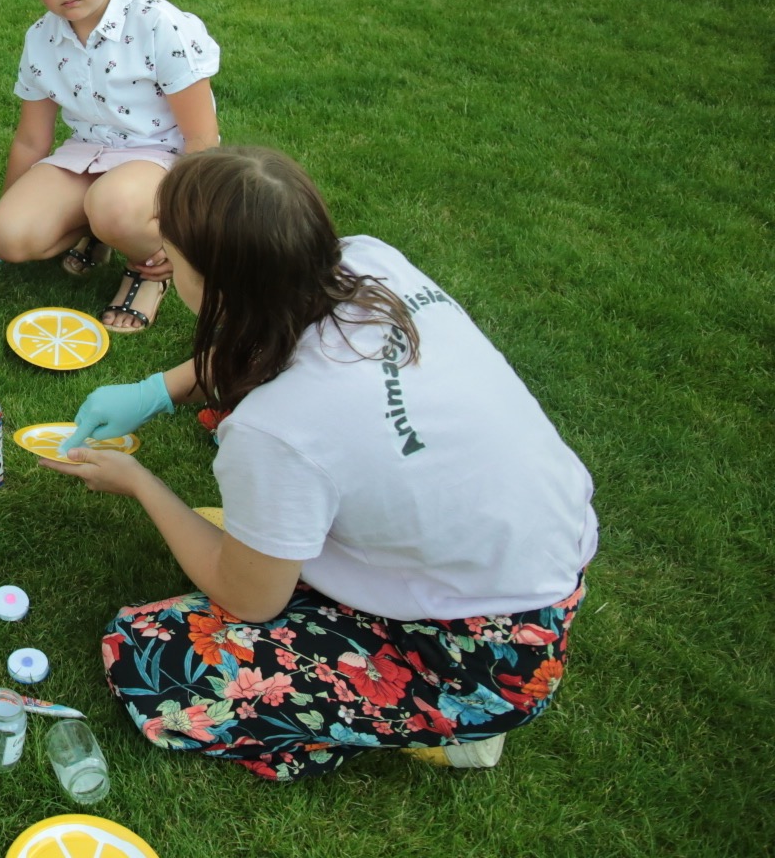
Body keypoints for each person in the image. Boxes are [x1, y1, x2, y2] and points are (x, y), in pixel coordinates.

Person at [42, 147, 598, 782]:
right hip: (536, 559)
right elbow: (263, 338)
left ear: (219, 283)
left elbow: (248, 601)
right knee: (264, 539)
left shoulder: (278, 431)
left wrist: (139, 482)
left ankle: (457, 723)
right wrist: (156, 391)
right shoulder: (365, 259)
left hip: (487, 654)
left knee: (153, 659)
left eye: (176, 258)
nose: (164, 264)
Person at [0, 0, 220, 334]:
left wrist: (182, 234)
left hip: (159, 157)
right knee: (9, 235)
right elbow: (31, 139)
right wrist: (0, 222)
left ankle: (147, 268)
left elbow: (202, 139)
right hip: (88, 154)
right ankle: (100, 231)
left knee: (114, 206)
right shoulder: (41, 38)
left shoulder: (161, 26)